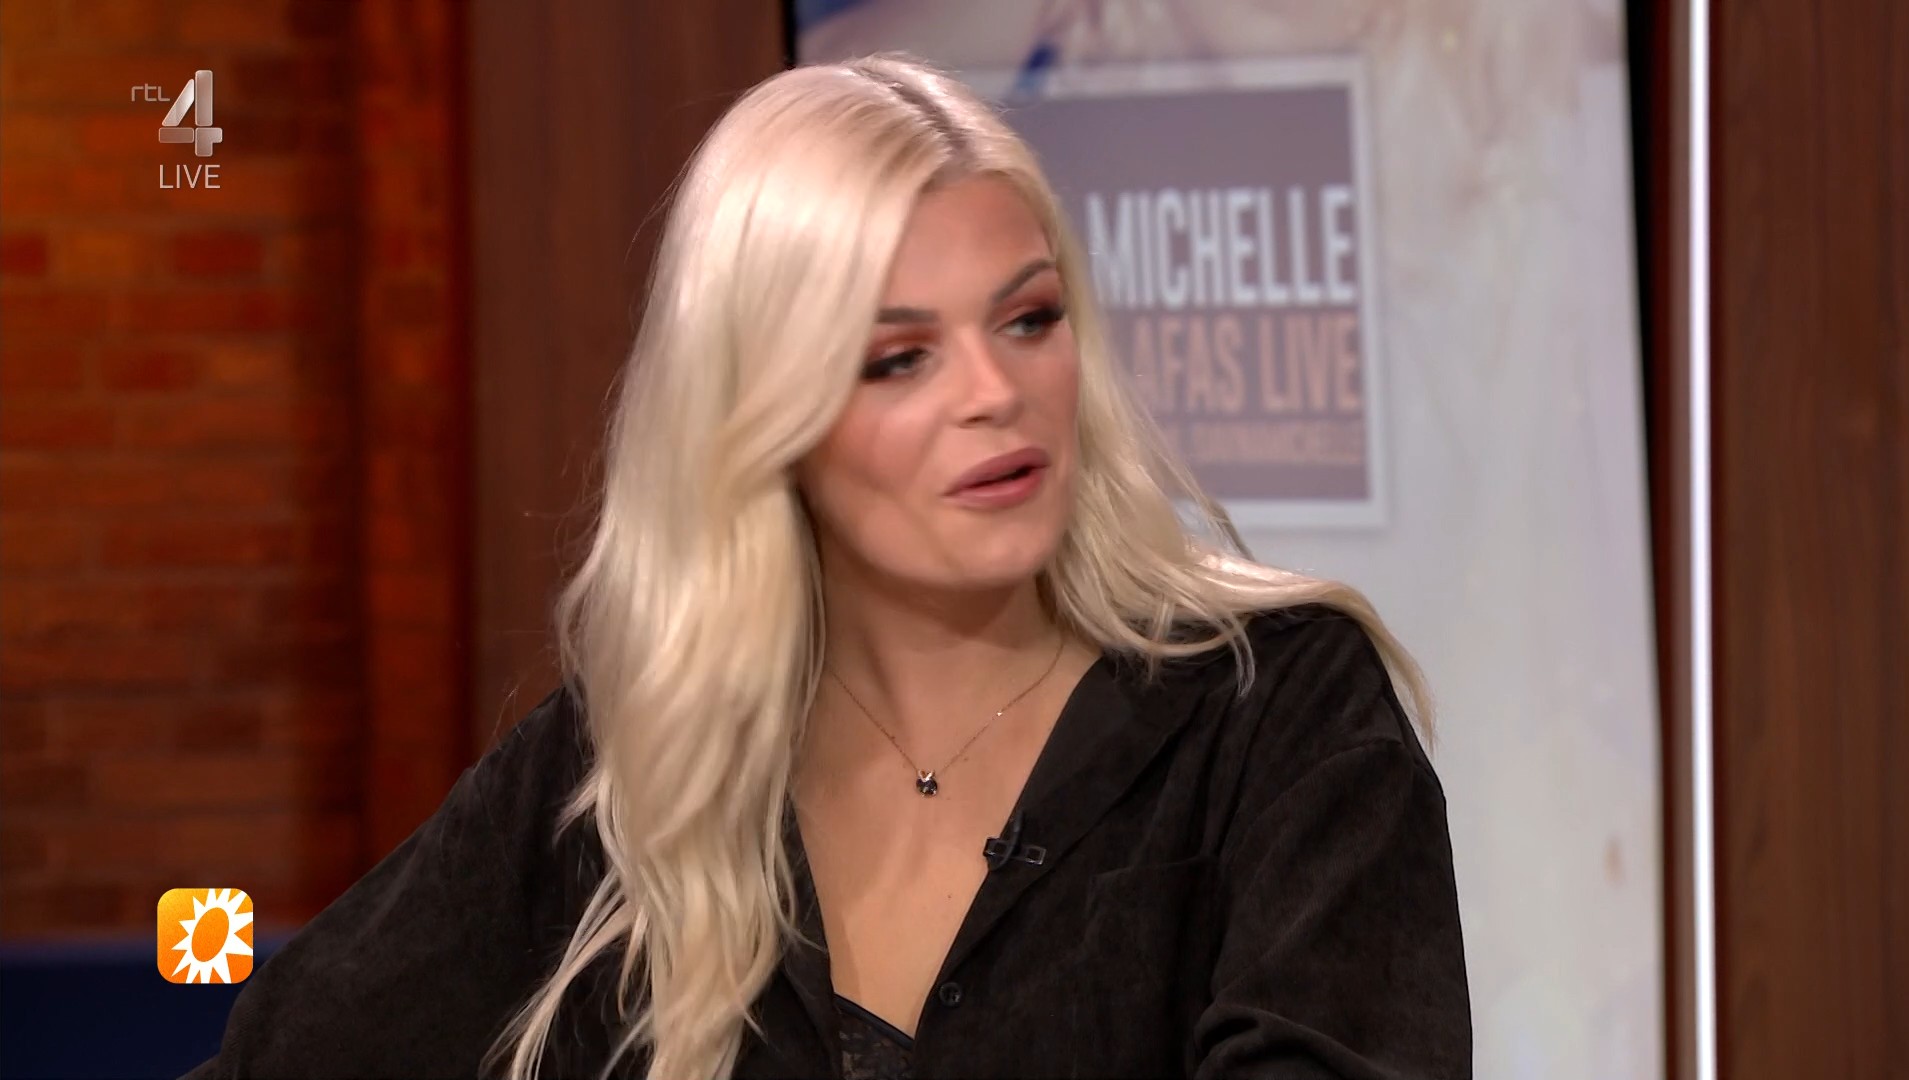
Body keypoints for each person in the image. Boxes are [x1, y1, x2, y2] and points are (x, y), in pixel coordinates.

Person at [182, 53, 1469, 1080]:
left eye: (1029, 318)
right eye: (898, 358)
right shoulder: (630, 775)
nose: (996, 391)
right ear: (768, 417)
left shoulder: (1281, 719)